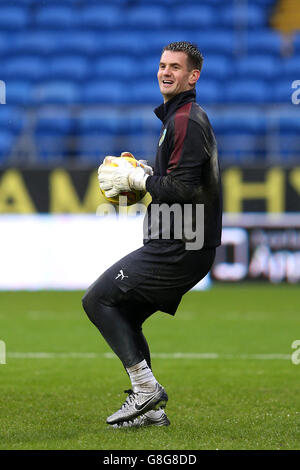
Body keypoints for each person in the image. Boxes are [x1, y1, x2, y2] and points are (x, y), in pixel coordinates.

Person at [82, 42, 222, 428]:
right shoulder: (178, 118)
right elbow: (176, 183)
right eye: (162, 65)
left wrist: (137, 178)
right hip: (180, 241)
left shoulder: (186, 121)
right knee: (122, 312)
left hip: (180, 245)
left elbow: (183, 190)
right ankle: (151, 409)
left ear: (193, 76)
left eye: (176, 67)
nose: (165, 72)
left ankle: (146, 391)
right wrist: (145, 174)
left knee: (97, 301)